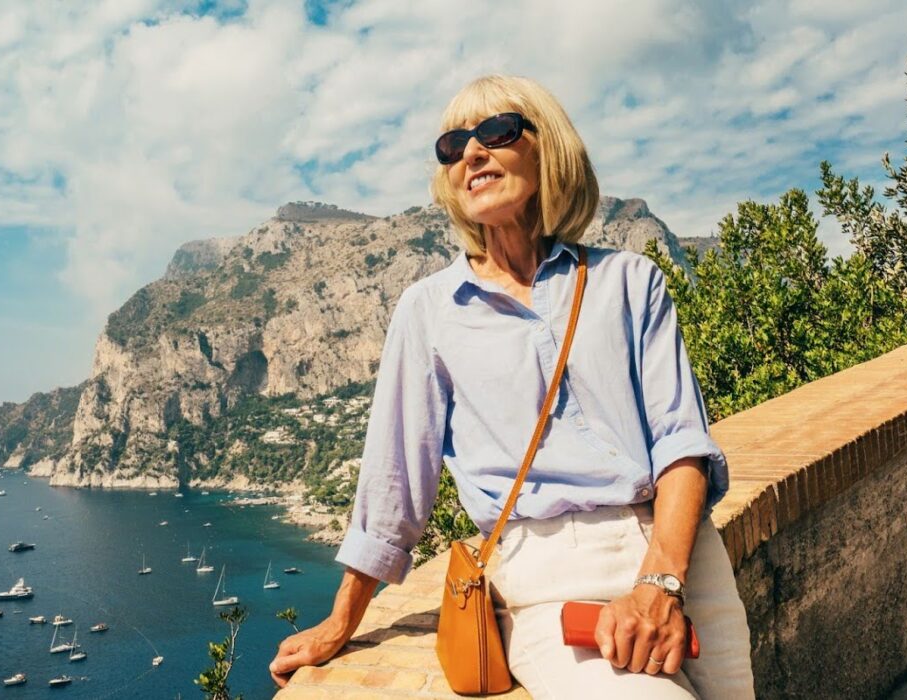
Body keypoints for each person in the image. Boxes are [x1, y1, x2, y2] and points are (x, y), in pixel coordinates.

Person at [268, 75, 755, 698]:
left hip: (686, 566)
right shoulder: (428, 311)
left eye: (496, 132)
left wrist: (661, 582)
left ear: (546, 147)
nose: (471, 153)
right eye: (453, 145)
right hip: (551, 580)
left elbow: (680, 441)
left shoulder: (631, 282)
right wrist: (341, 621)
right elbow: (394, 487)